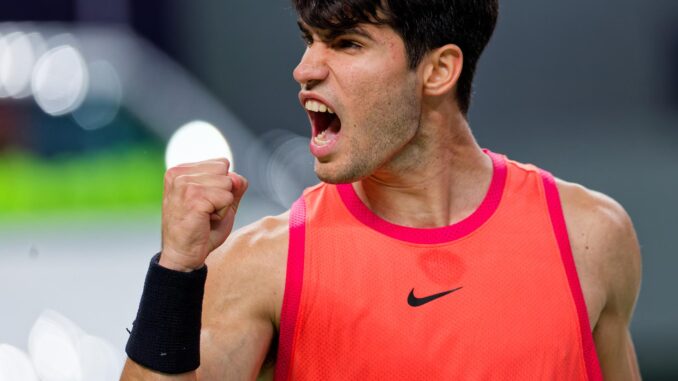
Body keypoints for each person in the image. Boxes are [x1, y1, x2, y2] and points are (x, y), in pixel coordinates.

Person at [120, 0, 642, 380]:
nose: (305, 69)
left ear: (438, 70)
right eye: (309, 39)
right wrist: (176, 271)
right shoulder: (267, 265)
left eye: (347, 43)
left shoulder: (588, 237)